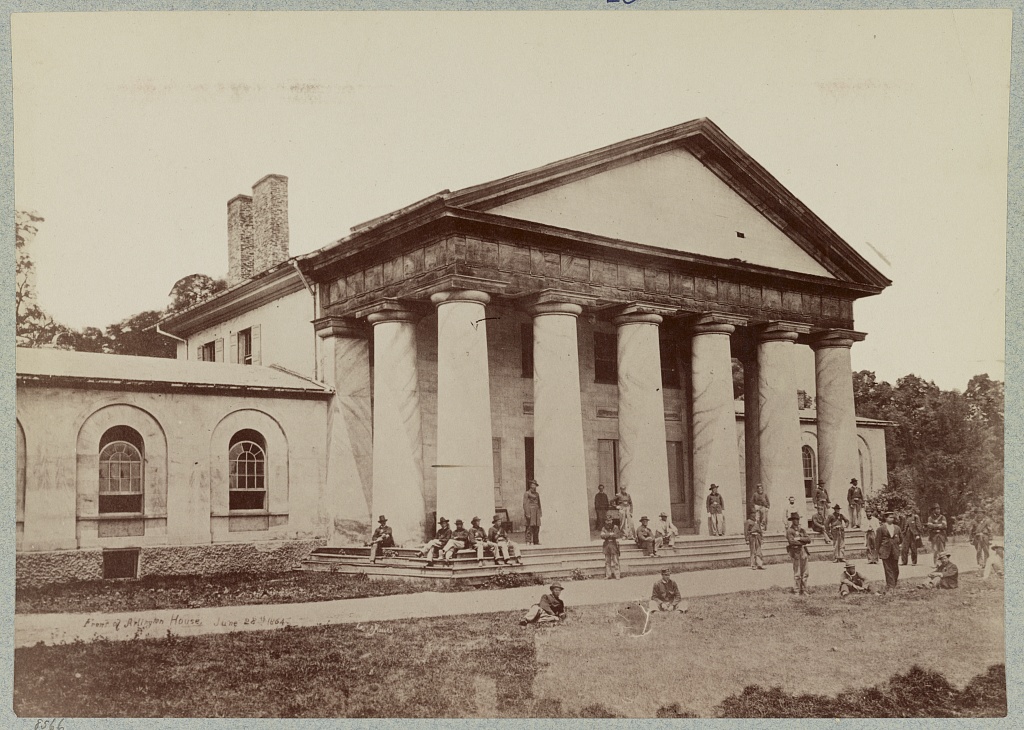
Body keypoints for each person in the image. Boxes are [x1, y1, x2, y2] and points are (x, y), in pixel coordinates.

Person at [876, 511, 903, 592]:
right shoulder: (881, 528)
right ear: (885, 518)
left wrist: (896, 544)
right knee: (888, 569)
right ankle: (890, 586)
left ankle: (893, 583)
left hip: (895, 550)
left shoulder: (897, 528)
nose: (892, 519)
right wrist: (878, 552)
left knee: (895, 569)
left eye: (893, 517)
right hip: (885, 550)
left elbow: (901, 539)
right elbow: (877, 541)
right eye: (890, 517)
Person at [786, 514, 812, 594]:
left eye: (797, 519)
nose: (796, 521)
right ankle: (797, 590)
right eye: (795, 519)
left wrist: (800, 538)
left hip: (803, 551)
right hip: (795, 552)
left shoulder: (802, 530)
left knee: (805, 572)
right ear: (792, 521)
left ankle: (804, 590)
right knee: (797, 572)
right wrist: (802, 542)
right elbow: (791, 541)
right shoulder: (790, 531)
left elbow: (808, 539)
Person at [523, 480, 542, 545]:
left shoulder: (537, 494)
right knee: (529, 527)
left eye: (535, 485)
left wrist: (540, 512)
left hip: (536, 512)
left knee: (537, 527)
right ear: (530, 485)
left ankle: (536, 541)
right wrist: (527, 513)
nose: (534, 486)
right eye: (533, 485)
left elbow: (539, 504)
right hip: (530, 511)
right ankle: (528, 540)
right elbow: (525, 504)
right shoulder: (527, 493)